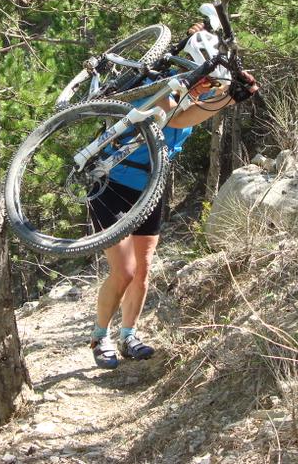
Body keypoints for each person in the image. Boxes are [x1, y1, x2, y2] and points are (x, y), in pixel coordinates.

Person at [88, 21, 259, 369]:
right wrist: (213, 91)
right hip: (112, 182)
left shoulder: (198, 92)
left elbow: (197, 111)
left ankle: (128, 335)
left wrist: (231, 93)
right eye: (207, 78)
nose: (208, 84)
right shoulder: (162, 86)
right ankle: (99, 335)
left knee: (143, 271)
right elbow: (172, 119)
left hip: (151, 186)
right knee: (123, 270)